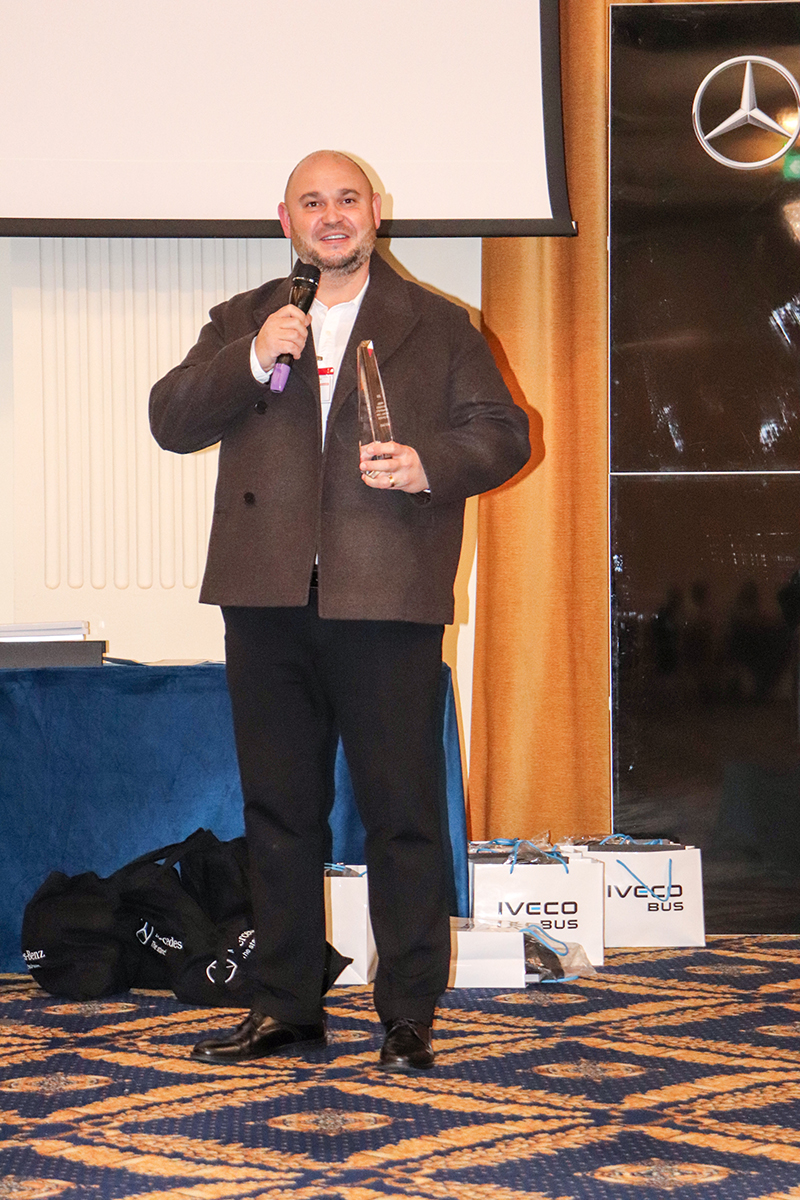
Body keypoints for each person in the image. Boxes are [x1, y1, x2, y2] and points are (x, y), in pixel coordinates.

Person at [149, 150, 530, 1071]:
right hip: (265, 598)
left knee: (403, 815)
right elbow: (171, 419)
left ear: (375, 212)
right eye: (312, 202)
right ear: (286, 220)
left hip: (387, 598)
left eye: (347, 199)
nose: (332, 215)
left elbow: (504, 432)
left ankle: (408, 1011)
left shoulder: (438, 323)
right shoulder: (244, 320)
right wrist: (252, 358)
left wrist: (429, 464)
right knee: (280, 813)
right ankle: (286, 1005)